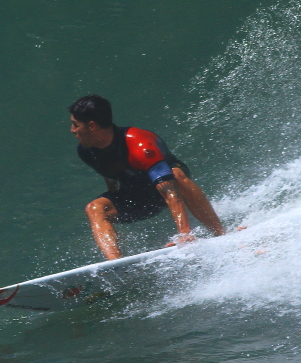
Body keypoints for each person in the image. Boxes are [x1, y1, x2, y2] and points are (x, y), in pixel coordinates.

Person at [69, 94, 225, 260]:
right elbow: (111, 177)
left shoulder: (139, 144)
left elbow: (169, 191)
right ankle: (116, 263)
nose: (72, 131)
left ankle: (221, 234)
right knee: (95, 208)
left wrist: (183, 234)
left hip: (169, 190)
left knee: (176, 175)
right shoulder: (86, 151)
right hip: (137, 196)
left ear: (92, 126)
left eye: (75, 125)